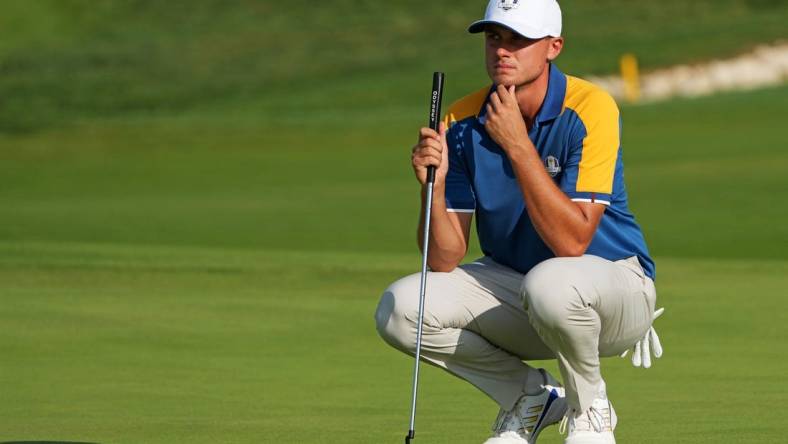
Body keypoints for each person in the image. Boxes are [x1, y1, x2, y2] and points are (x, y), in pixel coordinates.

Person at [375, 0, 664, 443]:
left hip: (615, 289)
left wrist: (517, 145)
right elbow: (445, 257)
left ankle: (590, 409)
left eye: (519, 40)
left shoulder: (590, 109)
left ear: (553, 47)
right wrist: (431, 188)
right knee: (400, 308)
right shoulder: (461, 121)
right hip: (522, 290)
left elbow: (572, 243)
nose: (502, 51)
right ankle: (529, 397)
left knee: (551, 282)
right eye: (494, 38)